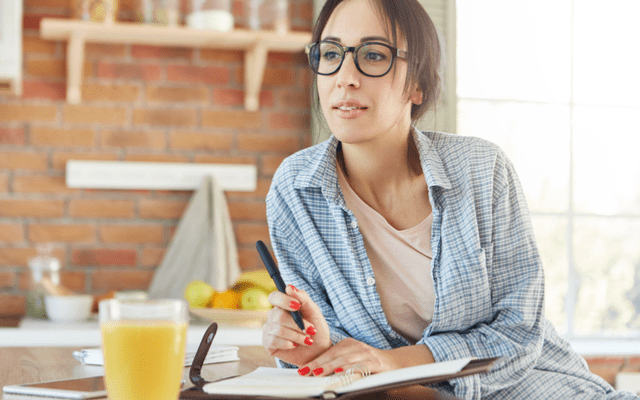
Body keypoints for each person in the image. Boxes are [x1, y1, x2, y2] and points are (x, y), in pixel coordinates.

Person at [261, 0, 638, 398]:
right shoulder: (296, 190)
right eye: (332, 54)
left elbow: (518, 330)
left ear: (419, 84)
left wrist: (395, 363)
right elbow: (337, 357)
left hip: (533, 385)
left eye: (373, 55)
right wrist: (313, 347)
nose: (345, 77)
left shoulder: (482, 170)